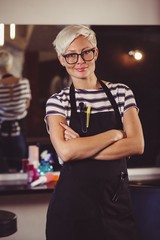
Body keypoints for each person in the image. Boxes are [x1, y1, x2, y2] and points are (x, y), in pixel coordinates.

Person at [45, 25, 144, 240]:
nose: (80, 61)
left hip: (115, 207)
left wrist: (82, 145)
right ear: (61, 59)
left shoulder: (121, 92)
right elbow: (66, 153)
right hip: (71, 211)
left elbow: (137, 144)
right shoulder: (57, 102)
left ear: (95, 52)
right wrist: (114, 135)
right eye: (70, 55)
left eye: (86, 52)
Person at [0, 49, 31, 172]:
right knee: (21, 166)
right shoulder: (24, 83)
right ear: (10, 64)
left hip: (2, 130)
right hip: (20, 128)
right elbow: (27, 105)